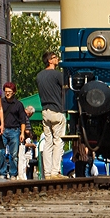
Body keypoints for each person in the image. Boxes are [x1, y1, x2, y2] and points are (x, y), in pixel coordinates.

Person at [36, 50, 65, 178]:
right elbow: (65, 88)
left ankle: (47, 173)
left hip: (45, 110)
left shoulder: (39, 76)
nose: (57, 59)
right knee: (58, 141)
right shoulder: (57, 75)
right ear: (50, 60)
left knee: (47, 142)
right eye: (54, 57)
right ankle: (55, 171)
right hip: (57, 110)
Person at [0, 82, 27, 180]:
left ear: (14, 92)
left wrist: (22, 133)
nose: (7, 93)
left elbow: (23, 120)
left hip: (15, 130)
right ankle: (2, 172)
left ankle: (13, 173)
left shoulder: (18, 105)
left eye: (9, 91)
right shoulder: (1, 102)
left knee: (14, 155)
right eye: (6, 92)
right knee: (0, 152)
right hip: (3, 130)